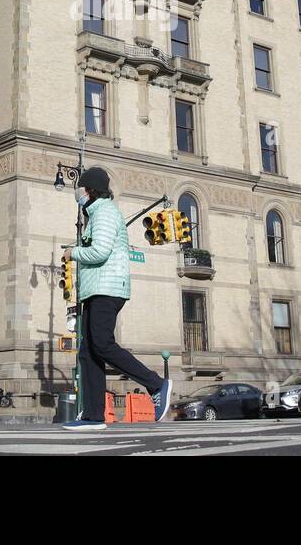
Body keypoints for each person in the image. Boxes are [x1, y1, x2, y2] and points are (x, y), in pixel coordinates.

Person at [62, 167, 172, 431]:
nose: (77, 193)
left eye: (80, 188)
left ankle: (157, 385)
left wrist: (72, 253)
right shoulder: (97, 213)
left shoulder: (105, 213)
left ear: (88, 190)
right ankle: (93, 414)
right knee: (88, 353)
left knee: (102, 344)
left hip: (108, 288)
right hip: (96, 289)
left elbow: (99, 252)